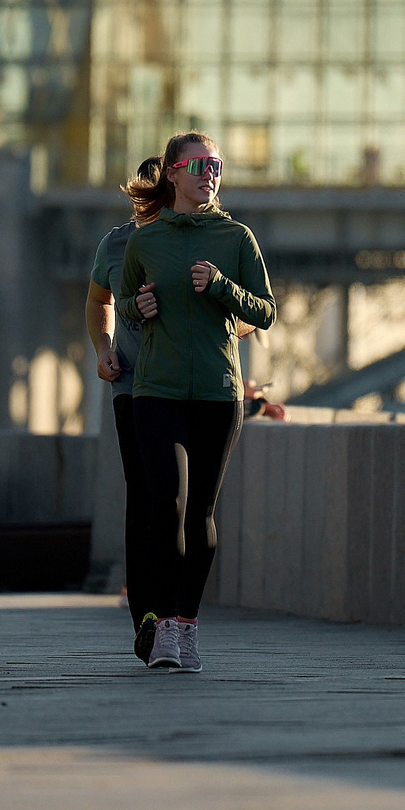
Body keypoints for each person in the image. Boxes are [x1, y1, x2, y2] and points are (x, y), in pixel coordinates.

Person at [119, 132, 276, 673]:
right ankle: (163, 626)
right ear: (172, 173)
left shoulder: (236, 237)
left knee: (201, 512)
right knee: (167, 504)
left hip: (216, 392)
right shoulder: (144, 241)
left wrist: (223, 288)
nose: (209, 173)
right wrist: (137, 307)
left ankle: (186, 624)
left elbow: (266, 311)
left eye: (216, 165)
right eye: (198, 165)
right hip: (156, 392)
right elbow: (125, 302)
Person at [88, 156, 164, 663]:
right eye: (143, 199)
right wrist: (103, 347)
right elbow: (98, 302)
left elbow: (249, 315)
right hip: (132, 386)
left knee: (179, 502)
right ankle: (147, 616)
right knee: (143, 495)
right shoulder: (115, 243)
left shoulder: (207, 240)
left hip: (189, 388)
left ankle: (177, 613)